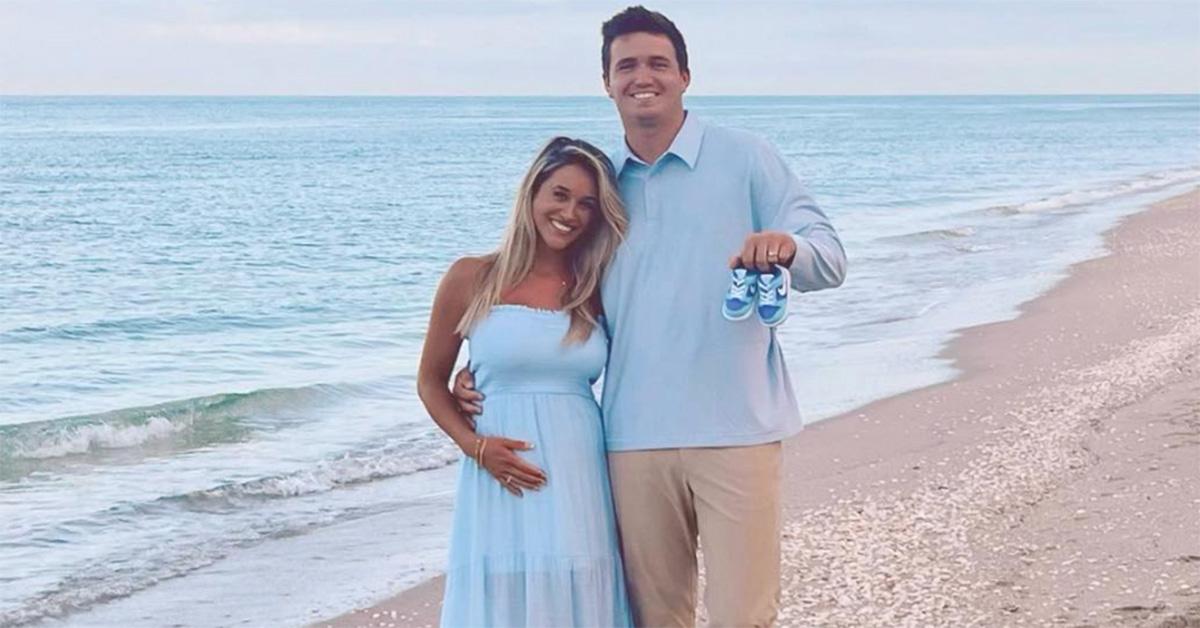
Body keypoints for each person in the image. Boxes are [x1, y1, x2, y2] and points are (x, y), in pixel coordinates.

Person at [454, 6, 848, 627]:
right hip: (629, 440)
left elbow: (830, 259)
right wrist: (486, 367)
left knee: (745, 616)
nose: (644, 76)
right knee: (655, 619)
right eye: (626, 65)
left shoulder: (747, 157)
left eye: (658, 63)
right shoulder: (601, 187)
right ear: (606, 82)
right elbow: (549, 292)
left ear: (685, 76)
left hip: (737, 430)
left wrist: (788, 247)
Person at [417, 136, 632, 627]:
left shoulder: (596, 288)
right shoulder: (472, 277)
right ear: (533, 192)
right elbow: (430, 381)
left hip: (580, 471)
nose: (570, 213)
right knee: (503, 597)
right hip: (498, 474)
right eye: (559, 194)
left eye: (587, 204)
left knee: (579, 590)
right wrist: (474, 446)